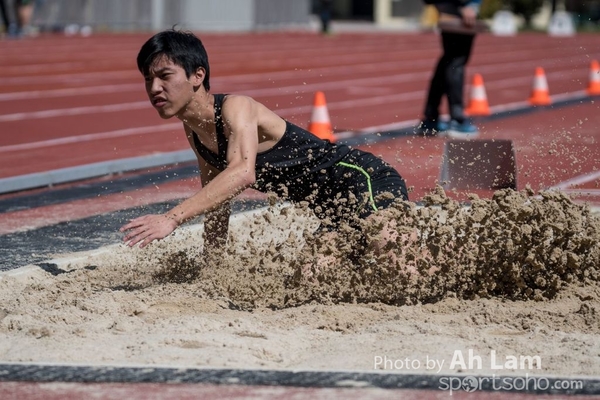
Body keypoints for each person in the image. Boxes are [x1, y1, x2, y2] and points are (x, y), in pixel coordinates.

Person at [120, 29, 409, 252]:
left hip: (364, 180)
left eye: (164, 76)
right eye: (148, 79)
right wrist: (211, 264)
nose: (154, 87)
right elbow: (217, 197)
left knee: (392, 257)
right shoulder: (194, 130)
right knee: (312, 274)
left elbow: (243, 173)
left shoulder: (236, 108)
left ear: (198, 76)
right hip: (333, 209)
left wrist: (171, 217)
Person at [418, 0, 482, 138]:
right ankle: (456, 120)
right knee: (455, 62)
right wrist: (462, 5)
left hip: (453, 9)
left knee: (448, 61)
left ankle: (431, 118)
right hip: (458, 11)